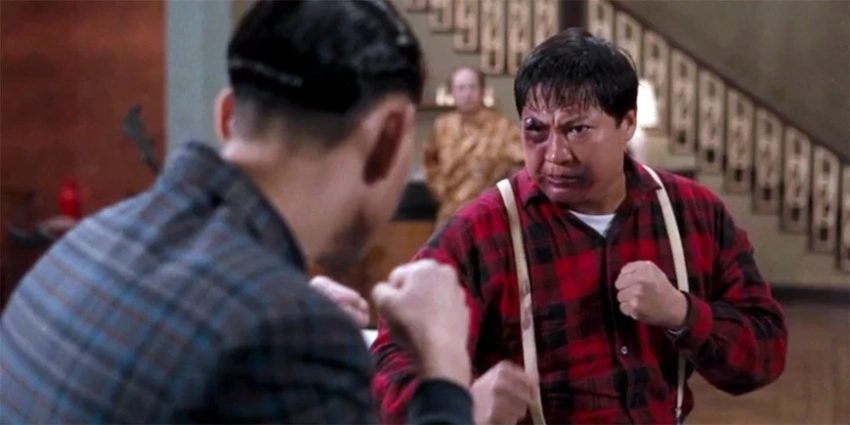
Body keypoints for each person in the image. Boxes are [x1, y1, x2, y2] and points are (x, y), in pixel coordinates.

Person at [0, 1, 473, 423]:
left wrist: (279, 303)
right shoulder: (290, 334)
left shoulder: (82, 246)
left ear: (226, 116)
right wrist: (445, 370)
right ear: (389, 136)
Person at [371, 28, 788, 425]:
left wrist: (682, 313)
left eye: (577, 129)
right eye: (536, 130)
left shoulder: (692, 213)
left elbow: (765, 352)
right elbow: (388, 368)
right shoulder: (481, 232)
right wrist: (459, 404)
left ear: (627, 124)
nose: (555, 155)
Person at [423, 66, 524, 224]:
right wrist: (440, 190)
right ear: (451, 93)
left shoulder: (502, 127)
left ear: (482, 91)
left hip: (488, 215)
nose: (467, 94)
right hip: (449, 214)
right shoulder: (443, 126)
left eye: (472, 87)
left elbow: (527, 161)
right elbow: (429, 162)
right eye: (461, 88)